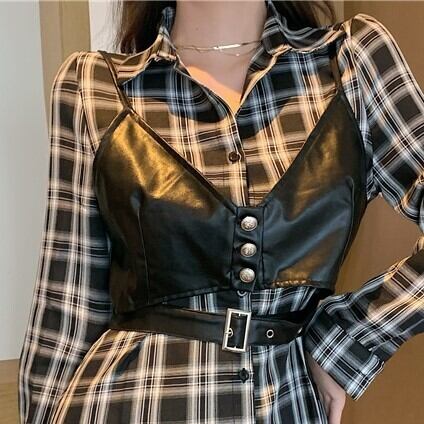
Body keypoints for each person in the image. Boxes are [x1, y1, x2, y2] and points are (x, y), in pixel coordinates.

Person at [18, 1, 424, 423]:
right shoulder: (92, 86)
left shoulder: (349, 64)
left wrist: (348, 339)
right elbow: (66, 312)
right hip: (126, 404)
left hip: (282, 402)